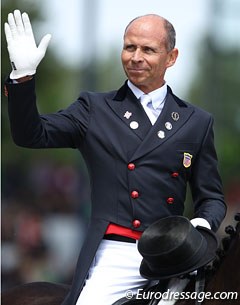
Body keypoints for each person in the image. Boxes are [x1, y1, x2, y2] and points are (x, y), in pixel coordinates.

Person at [4, 10, 226, 305]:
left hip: (178, 253)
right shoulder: (94, 108)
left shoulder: (197, 121)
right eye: (129, 47)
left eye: (148, 49)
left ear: (171, 57)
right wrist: (23, 78)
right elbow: (31, 135)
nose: (135, 57)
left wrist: (202, 225)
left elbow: (211, 197)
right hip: (120, 251)